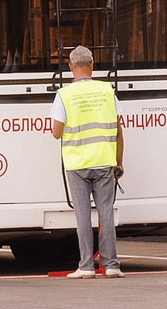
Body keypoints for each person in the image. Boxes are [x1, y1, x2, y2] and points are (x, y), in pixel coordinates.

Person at [52, 45, 124, 279]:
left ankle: (85, 267)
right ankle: (111, 265)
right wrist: (119, 162)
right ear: (92, 65)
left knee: (82, 216)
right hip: (104, 160)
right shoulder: (107, 91)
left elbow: (56, 132)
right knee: (106, 213)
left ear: (70, 66)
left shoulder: (64, 94)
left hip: (77, 164)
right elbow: (118, 131)